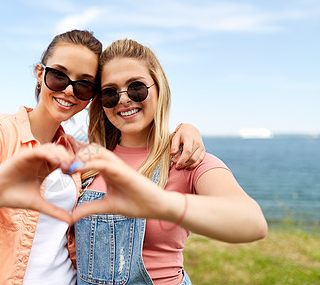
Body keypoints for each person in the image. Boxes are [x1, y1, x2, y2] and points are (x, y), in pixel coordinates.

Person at [0, 30, 205, 284]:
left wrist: (184, 129)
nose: (68, 90)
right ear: (40, 73)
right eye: (59, 76)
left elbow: (131, 147)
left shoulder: (78, 152)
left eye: (83, 85)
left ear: (92, 96)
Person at [68, 39, 268, 284]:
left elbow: (253, 223)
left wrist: (159, 202)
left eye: (136, 87)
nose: (123, 99)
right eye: (110, 93)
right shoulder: (88, 159)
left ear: (159, 88)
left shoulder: (185, 160)